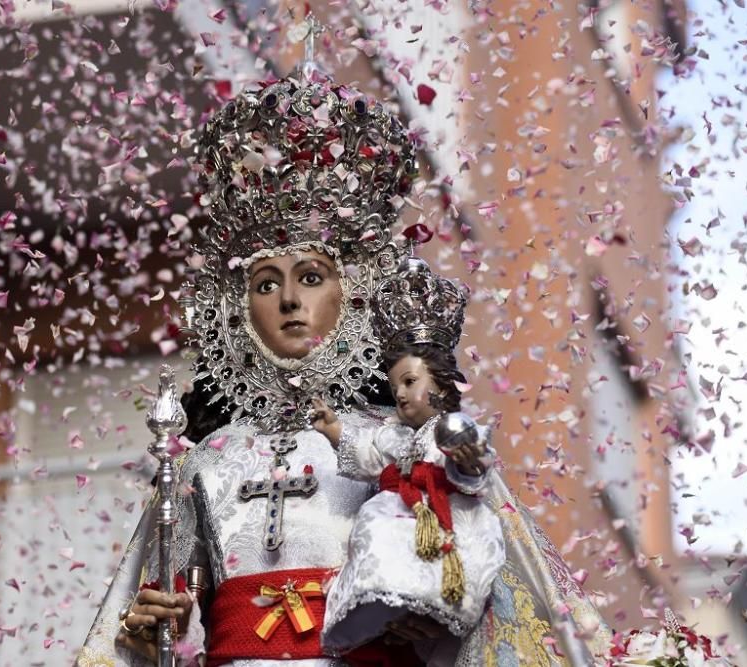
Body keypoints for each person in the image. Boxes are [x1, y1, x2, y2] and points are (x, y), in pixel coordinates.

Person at [78, 18, 611, 667]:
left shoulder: (393, 440)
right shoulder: (201, 459)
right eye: (266, 283)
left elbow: (471, 591)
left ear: (350, 292)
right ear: (239, 306)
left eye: (309, 276)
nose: (290, 300)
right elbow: (158, 632)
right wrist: (149, 627)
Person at [309, 260, 505, 665]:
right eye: (395, 384)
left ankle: (435, 604)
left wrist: (466, 462)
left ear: (440, 382)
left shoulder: (454, 427)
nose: (399, 393)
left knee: (450, 559)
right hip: (400, 514)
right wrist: (334, 431)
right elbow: (366, 454)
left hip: (446, 516)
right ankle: (384, 603)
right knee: (377, 538)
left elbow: (475, 469)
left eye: (410, 382)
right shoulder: (394, 435)